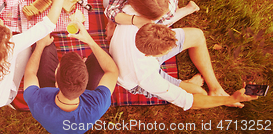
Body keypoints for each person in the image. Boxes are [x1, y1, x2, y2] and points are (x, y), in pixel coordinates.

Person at [109, 23, 258, 110]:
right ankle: (187, 85)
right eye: (169, 50)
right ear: (151, 55)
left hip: (137, 52)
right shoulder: (147, 78)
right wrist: (232, 99)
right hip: (137, 76)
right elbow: (189, 102)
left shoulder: (131, 23)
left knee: (197, 35)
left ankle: (216, 88)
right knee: (199, 93)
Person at [23, 21, 118, 134]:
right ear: (86, 85)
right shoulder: (97, 104)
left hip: (52, 104)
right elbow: (112, 71)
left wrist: (40, 45)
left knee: (45, 47)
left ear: (56, 83)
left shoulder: (37, 101)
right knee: (103, 57)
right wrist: (90, 41)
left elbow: (30, 72)